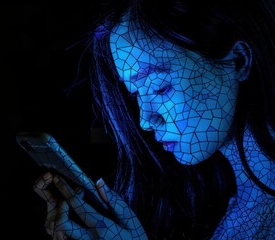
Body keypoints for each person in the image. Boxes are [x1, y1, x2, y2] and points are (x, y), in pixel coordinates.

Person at [32, 0, 275, 239]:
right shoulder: (224, 208)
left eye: (159, 87)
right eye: (136, 94)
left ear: (238, 61)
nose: (146, 121)